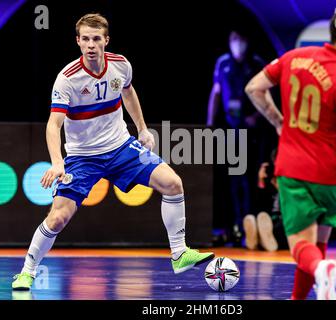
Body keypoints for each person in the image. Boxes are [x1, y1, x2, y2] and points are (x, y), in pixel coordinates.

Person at [12, 13, 214, 290]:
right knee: (58, 218)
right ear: (78, 42)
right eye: (85, 39)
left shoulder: (121, 66)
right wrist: (58, 163)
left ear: (106, 40)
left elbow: (129, 94)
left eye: (96, 39)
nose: (91, 45)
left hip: (121, 146)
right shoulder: (67, 79)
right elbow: (53, 125)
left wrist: (142, 128)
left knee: (173, 183)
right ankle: (27, 271)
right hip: (83, 157)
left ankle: (179, 253)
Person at [245, 7, 336, 300]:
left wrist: (278, 122)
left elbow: (254, 88)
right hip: (333, 176)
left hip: (296, 171)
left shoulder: (292, 58)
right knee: (317, 246)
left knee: (301, 248)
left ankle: (322, 271)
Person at [207, 29, 266, 247]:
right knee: (233, 180)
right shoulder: (223, 63)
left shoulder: (257, 63)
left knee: (251, 179)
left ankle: (252, 225)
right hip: (231, 131)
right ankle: (236, 227)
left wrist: (257, 116)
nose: (237, 43)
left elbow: (266, 95)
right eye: (233, 39)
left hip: (252, 131)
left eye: (241, 39)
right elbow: (216, 92)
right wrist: (210, 123)